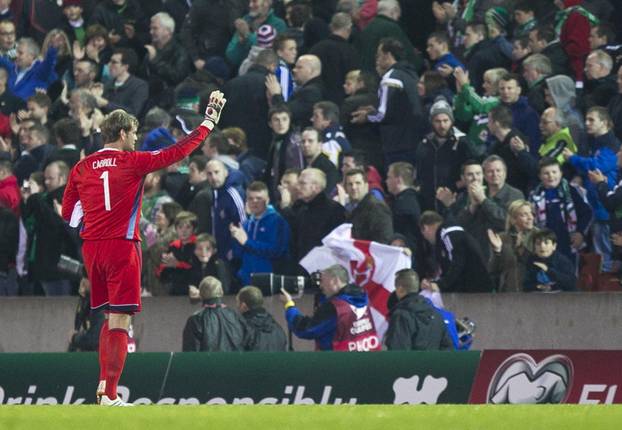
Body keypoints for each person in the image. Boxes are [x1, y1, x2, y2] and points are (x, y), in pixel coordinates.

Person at [62, 90, 226, 406]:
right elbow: (178, 152)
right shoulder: (133, 161)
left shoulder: (81, 168)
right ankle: (110, 394)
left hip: (92, 250)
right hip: (122, 247)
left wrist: (93, 213)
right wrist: (207, 122)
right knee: (121, 320)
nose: (136, 139)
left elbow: (69, 217)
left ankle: (102, 389)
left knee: (110, 319)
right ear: (122, 133)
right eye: (134, 133)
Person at [280, 264, 381, 351]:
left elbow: (306, 330)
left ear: (335, 280)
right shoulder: (362, 298)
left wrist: (289, 306)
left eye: (323, 281)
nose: (320, 285)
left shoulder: (335, 307)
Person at [529, 158, 592, 262]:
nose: (551, 176)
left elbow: (587, 212)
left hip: (568, 240)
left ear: (561, 173)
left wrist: (580, 233)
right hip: (545, 242)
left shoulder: (572, 192)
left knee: (567, 272)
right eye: (546, 173)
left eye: (554, 172)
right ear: (540, 176)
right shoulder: (534, 195)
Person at [231, 181, 290, 285]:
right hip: (246, 281)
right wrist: (235, 238)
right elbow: (238, 255)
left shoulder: (277, 221)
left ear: (267, 200)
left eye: (259, 198)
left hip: (269, 281)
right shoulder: (246, 224)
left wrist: (246, 242)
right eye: (250, 198)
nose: (254, 202)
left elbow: (276, 251)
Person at [419, 210, 494, 293]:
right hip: (476, 287)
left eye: (423, 235)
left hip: (474, 290)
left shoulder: (447, 234)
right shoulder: (455, 232)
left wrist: (441, 285)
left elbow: (456, 263)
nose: (426, 239)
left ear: (425, 228)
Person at [283, 168, 346, 264]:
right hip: (300, 266)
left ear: (316, 187)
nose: (297, 187)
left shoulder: (334, 210)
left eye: (302, 183)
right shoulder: (300, 207)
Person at [384, 269, 451, 351]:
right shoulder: (437, 314)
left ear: (400, 289)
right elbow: (447, 348)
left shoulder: (401, 316)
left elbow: (397, 354)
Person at [182, 276, 251, 352]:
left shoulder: (195, 320)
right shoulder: (237, 316)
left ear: (201, 295)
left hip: (208, 363)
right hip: (235, 363)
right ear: (221, 292)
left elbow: (191, 353)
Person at [488, 200, 539, 293]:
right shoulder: (501, 238)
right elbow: (493, 269)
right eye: (524, 215)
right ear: (513, 219)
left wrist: (522, 247)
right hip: (508, 291)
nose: (530, 217)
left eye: (531, 213)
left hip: (533, 291)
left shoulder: (540, 237)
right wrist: (497, 251)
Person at [344, 168, 393, 244]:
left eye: (358, 183)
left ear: (366, 185)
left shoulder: (377, 207)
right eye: (350, 184)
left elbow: (384, 239)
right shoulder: (355, 207)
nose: (353, 187)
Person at [237, 285, 287, 351]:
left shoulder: (241, 329)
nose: (237, 306)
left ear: (243, 306)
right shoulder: (278, 329)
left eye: (238, 302)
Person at [68, 277, 105, 352]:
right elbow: (78, 324)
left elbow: (94, 339)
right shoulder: (89, 300)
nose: (82, 282)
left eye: (86, 278)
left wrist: (74, 338)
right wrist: (83, 298)